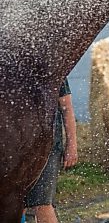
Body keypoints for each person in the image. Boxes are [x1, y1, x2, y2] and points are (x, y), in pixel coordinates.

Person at [24, 78, 78, 223]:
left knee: (42, 204)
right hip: (19, 149)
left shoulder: (52, 68)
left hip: (48, 146)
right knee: (16, 203)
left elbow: (67, 108)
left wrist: (71, 146)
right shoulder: (10, 67)